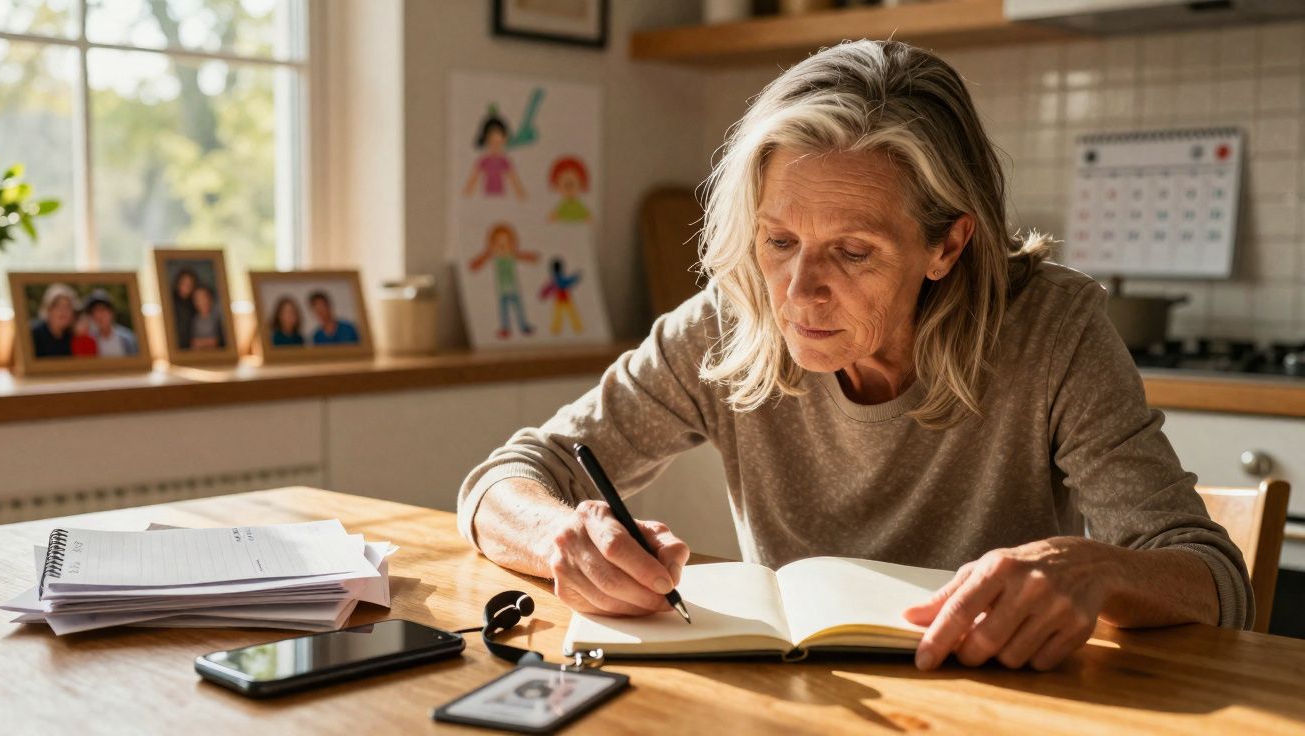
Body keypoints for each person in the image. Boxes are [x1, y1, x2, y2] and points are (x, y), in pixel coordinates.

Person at [457, 40, 1251, 674]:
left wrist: (1094, 569)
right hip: (800, 700)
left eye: (853, 251)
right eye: (779, 241)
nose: (799, 293)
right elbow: (505, 479)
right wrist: (562, 535)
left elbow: (1214, 578)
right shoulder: (730, 322)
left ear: (947, 244)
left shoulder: (1053, 329)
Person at [469, 223, 539, 339]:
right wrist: (487, 253)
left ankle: (523, 326)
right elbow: (474, 265)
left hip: (514, 288)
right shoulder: (495, 256)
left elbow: (527, 256)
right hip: (502, 289)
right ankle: (505, 328)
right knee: (504, 310)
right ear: (492, 244)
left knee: (519, 308)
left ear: (512, 243)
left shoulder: (512, 255)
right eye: (498, 243)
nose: (502, 246)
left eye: (506, 243)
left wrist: (532, 257)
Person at [29, 283, 81, 358]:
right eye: (58, 306)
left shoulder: (72, 337)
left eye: (67, 307)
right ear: (48, 310)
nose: (63, 311)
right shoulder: (34, 335)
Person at [83, 289, 137, 357]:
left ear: (111, 312)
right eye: (93, 312)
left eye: (102, 310)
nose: (98, 316)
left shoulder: (128, 339)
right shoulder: (89, 341)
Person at [538, 257, 583, 335]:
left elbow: (549, 287)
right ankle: (575, 326)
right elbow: (568, 281)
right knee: (567, 312)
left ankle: (558, 327)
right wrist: (576, 276)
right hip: (563, 297)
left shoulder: (555, 279)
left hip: (561, 297)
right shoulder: (559, 278)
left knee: (561, 313)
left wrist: (544, 294)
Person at [189, 285, 225, 350]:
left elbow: (218, 341)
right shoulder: (195, 320)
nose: (201, 301)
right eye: (197, 299)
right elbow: (194, 343)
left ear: (210, 298)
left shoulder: (219, 315)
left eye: (203, 297)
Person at [170, 268, 198, 351]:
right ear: (178, 284)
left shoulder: (195, 302)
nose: (187, 287)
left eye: (190, 284)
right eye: (184, 283)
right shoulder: (170, 301)